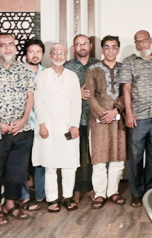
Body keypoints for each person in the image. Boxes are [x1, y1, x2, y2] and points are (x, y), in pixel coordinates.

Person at [0, 33, 35, 226]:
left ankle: (10, 204)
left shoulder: (23, 69)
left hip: (21, 130)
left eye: (11, 44)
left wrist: (23, 120)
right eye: (3, 45)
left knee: (17, 172)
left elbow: (30, 96)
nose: (7, 48)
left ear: (15, 47)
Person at [118, 30, 152, 208]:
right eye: (137, 42)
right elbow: (126, 89)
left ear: (150, 41)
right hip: (138, 116)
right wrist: (129, 113)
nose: (141, 45)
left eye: (144, 41)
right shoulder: (129, 61)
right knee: (136, 157)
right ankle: (137, 194)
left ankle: (151, 191)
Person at [33, 44, 82, 212]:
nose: (59, 56)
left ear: (66, 55)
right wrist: (42, 124)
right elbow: (38, 103)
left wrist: (74, 125)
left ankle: (67, 197)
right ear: (50, 55)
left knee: (69, 165)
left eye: (62, 53)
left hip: (68, 125)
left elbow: (77, 103)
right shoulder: (43, 76)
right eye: (56, 53)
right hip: (49, 125)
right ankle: (52, 198)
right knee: (50, 165)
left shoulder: (72, 76)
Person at [84, 36, 127, 209]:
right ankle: (100, 193)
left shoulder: (124, 69)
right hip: (98, 120)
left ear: (118, 49)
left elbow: (127, 92)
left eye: (114, 47)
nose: (110, 51)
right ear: (102, 49)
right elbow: (89, 95)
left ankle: (113, 192)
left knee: (118, 157)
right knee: (99, 158)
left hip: (118, 118)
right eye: (107, 47)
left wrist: (116, 110)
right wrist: (103, 114)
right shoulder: (92, 70)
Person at [63, 34, 100, 204]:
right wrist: (77, 93)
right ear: (73, 48)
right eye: (78, 44)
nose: (82, 47)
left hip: (95, 117)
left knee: (94, 155)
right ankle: (76, 189)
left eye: (85, 44)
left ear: (90, 46)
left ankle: (94, 188)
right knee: (74, 155)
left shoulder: (98, 65)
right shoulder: (67, 67)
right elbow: (59, 92)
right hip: (74, 119)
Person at [20, 39, 46, 211]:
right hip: (24, 123)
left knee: (41, 161)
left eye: (38, 52)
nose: (35, 55)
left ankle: (41, 195)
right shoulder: (19, 71)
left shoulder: (47, 72)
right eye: (31, 51)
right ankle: (24, 197)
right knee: (22, 163)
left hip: (41, 122)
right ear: (25, 54)